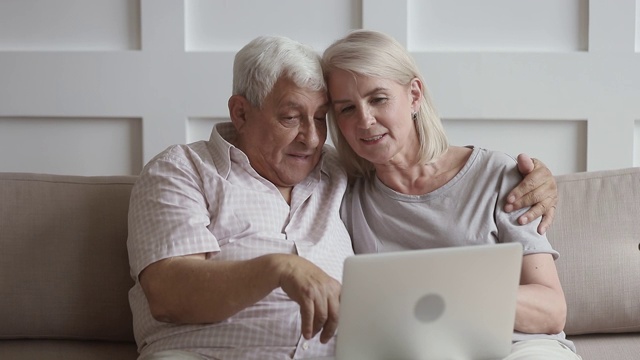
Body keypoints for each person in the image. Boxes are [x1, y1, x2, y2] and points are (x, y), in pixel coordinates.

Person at [127, 34, 559, 360]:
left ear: (413, 96)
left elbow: (551, 306)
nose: (311, 138)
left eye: (320, 118)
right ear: (240, 112)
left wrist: (542, 178)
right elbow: (168, 294)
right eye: (291, 118)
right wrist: (279, 268)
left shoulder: (338, 172)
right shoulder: (183, 170)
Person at [321, 29, 580, 359]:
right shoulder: (344, 194)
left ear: (414, 95)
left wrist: (451, 293)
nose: (365, 120)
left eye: (378, 99)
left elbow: (552, 310)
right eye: (346, 109)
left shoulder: (497, 175)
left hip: (520, 347)